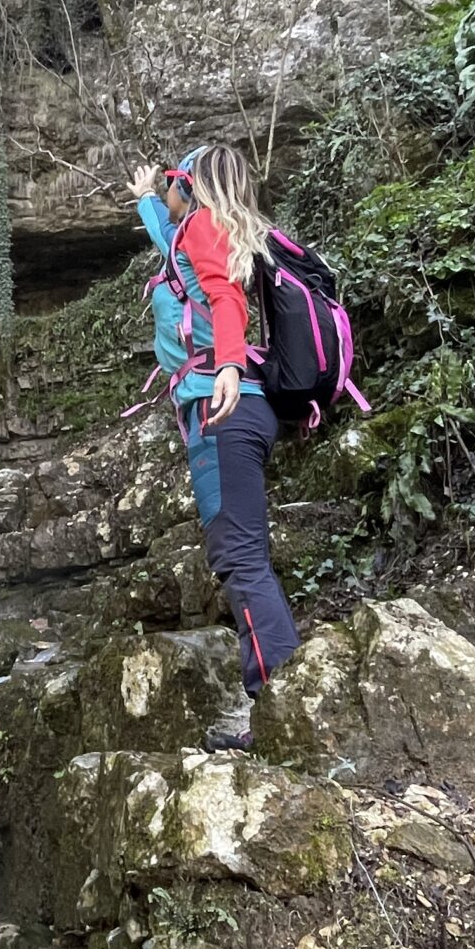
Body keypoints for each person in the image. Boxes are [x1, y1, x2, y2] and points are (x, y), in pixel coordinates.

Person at [130, 141, 300, 747]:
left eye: (175, 180)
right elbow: (173, 249)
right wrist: (146, 196)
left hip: (222, 406)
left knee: (239, 560)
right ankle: (287, 702)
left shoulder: (202, 227)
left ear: (193, 188)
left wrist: (226, 364)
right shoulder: (195, 234)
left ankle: (284, 713)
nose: (170, 193)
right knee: (244, 557)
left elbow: (225, 295)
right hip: (235, 408)